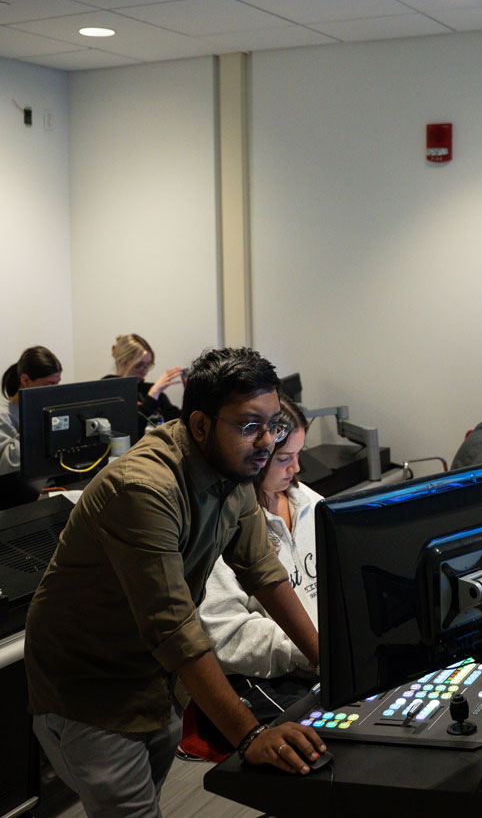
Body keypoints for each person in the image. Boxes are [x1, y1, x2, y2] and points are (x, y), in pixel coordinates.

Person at [25, 347, 327, 818]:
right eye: (250, 426)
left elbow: (263, 573)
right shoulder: (144, 489)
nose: (266, 441)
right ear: (202, 425)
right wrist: (250, 737)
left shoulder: (233, 470)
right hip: (90, 689)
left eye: (274, 425)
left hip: (156, 678)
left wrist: (326, 660)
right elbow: (175, 629)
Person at [199, 394, 319, 711]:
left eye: (298, 455)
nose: (296, 467)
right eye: (284, 459)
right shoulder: (223, 526)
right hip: (265, 677)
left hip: (317, 660)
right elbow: (226, 634)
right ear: (257, 457)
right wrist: (306, 650)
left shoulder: (313, 503)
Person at [0, 345, 63, 476]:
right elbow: (7, 466)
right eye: (49, 385)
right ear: (25, 380)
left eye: (57, 384)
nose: (54, 392)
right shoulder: (3, 416)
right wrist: (35, 423)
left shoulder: (45, 409)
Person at [108, 333, 183, 436]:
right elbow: (127, 431)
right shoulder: (108, 390)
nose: (144, 372)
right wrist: (153, 395)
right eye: (139, 366)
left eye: (147, 366)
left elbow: (179, 423)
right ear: (122, 362)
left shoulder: (150, 390)